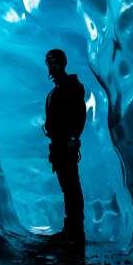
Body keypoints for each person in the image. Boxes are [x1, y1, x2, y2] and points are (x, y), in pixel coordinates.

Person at [43, 48, 86, 244]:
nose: (52, 66)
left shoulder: (72, 87)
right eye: (49, 63)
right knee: (67, 186)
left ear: (63, 62)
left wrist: (73, 138)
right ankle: (71, 228)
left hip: (67, 144)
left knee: (71, 186)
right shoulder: (55, 91)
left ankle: (75, 230)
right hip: (58, 144)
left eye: (55, 62)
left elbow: (79, 114)